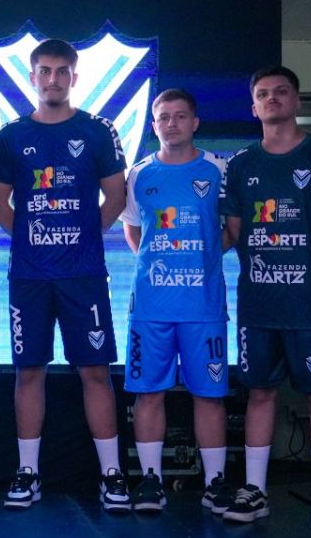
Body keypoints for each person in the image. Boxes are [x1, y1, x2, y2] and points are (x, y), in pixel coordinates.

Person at [0, 38, 130, 512]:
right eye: (44, 71)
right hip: (29, 276)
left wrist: (82, 237)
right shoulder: (11, 135)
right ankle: (27, 473)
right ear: (32, 77)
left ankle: (111, 475)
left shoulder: (97, 130)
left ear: (74, 76)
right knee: (29, 370)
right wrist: (32, 239)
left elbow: (115, 196)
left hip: (83, 274)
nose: (53, 79)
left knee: (95, 370)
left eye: (61, 71)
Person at [219, 66, 311, 532]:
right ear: (253, 107)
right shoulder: (241, 164)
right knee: (259, 393)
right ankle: (254, 490)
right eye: (263, 94)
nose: (272, 99)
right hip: (258, 306)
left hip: (309, 306)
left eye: (281, 92)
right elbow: (234, 233)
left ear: (296, 101)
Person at [119, 88, 231, 513]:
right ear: (154, 125)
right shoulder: (139, 174)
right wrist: (158, 263)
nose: (172, 123)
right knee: (148, 394)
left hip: (203, 306)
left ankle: (215, 482)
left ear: (195, 122)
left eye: (180, 116)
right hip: (151, 307)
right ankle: (151, 481)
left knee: (209, 395)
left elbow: (232, 228)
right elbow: (134, 230)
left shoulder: (219, 170)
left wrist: (202, 259)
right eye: (164, 117)